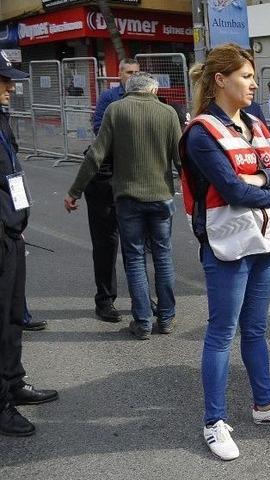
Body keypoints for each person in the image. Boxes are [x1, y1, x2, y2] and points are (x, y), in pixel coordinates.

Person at [181, 43, 270, 461]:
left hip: (266, 243)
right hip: (227, 245)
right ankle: (213, 422)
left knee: (255, 330)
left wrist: (263, 179)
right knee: (221, 334)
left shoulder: (257, 122)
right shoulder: (201, 132)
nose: (254, 83)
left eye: (253, 77)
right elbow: (232, 189)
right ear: (221, 80)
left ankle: (265, 406)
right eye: (246, 76)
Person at [65, 72, 182, 339]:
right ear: (153, 90)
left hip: (127, 198)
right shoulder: (168, 113)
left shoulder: (116, 110)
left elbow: (96, 155)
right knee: (163, 257)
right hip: (161, 197)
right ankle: (165, 318)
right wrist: (197, 199)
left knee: (135, 258)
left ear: (128, 90)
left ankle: (141, 323)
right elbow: (180, 158)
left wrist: (75, 191)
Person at [0, 55, 59, 437]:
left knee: (12, 317)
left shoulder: (2, 120)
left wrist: (16, 222)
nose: (11, 87)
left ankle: (12, 382)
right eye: (3, 80)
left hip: (10, 232)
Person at [86, 58, 140, 323]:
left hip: (133, 178)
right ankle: (105, 301)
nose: (132, 76)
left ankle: (140, 298)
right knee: (106, 242)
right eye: (128, 72)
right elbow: (99, 129)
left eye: (136, 73)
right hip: (106, 177)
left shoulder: (147, 97)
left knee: (135, 242)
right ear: (118, 74)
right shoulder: (109, 98)